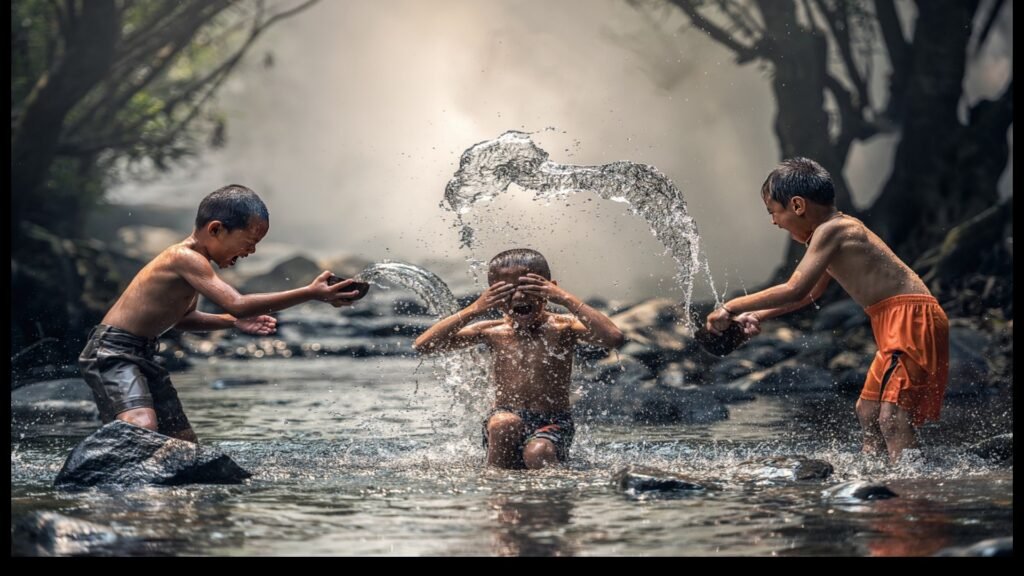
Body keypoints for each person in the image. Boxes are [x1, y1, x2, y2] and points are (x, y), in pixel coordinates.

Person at [706, 158, 949, 463]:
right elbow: (808, 294)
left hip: (910, 319)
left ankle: (913, 491)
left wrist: (730, 307)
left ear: (797, 205)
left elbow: (794, 287)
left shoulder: (834, 229)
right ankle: (874, 480)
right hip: (895, 320)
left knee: (892, 416)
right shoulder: (829, 234)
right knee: (868, 411)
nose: (773, 222)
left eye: (773, 212)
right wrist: (757, 315)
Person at [78, 184, 360, 442]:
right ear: (215, 230)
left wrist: (233, 323)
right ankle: (101, 481)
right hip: (112, 351)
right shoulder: (185, 257)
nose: (250, 251)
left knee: (182, 442)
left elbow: (184, 319)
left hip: (143, 353)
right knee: (141, 425)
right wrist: (310, 292)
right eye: (248, 241)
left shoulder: (197, 264)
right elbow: (237, 302)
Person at [413, 248, 625, 469]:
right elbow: (424, 346)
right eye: (506, 291)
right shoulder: (491, 330)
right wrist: (475, 308)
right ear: (491, 295)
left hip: (553, 421)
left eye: (528, 287)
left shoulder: (564, 327)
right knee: (505, 423)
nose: (519, 296)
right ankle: (497, 487)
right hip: (503, 419)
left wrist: (565, 298)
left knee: (538, 453)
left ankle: (551, 496)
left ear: (549, 288)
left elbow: (613, 338)